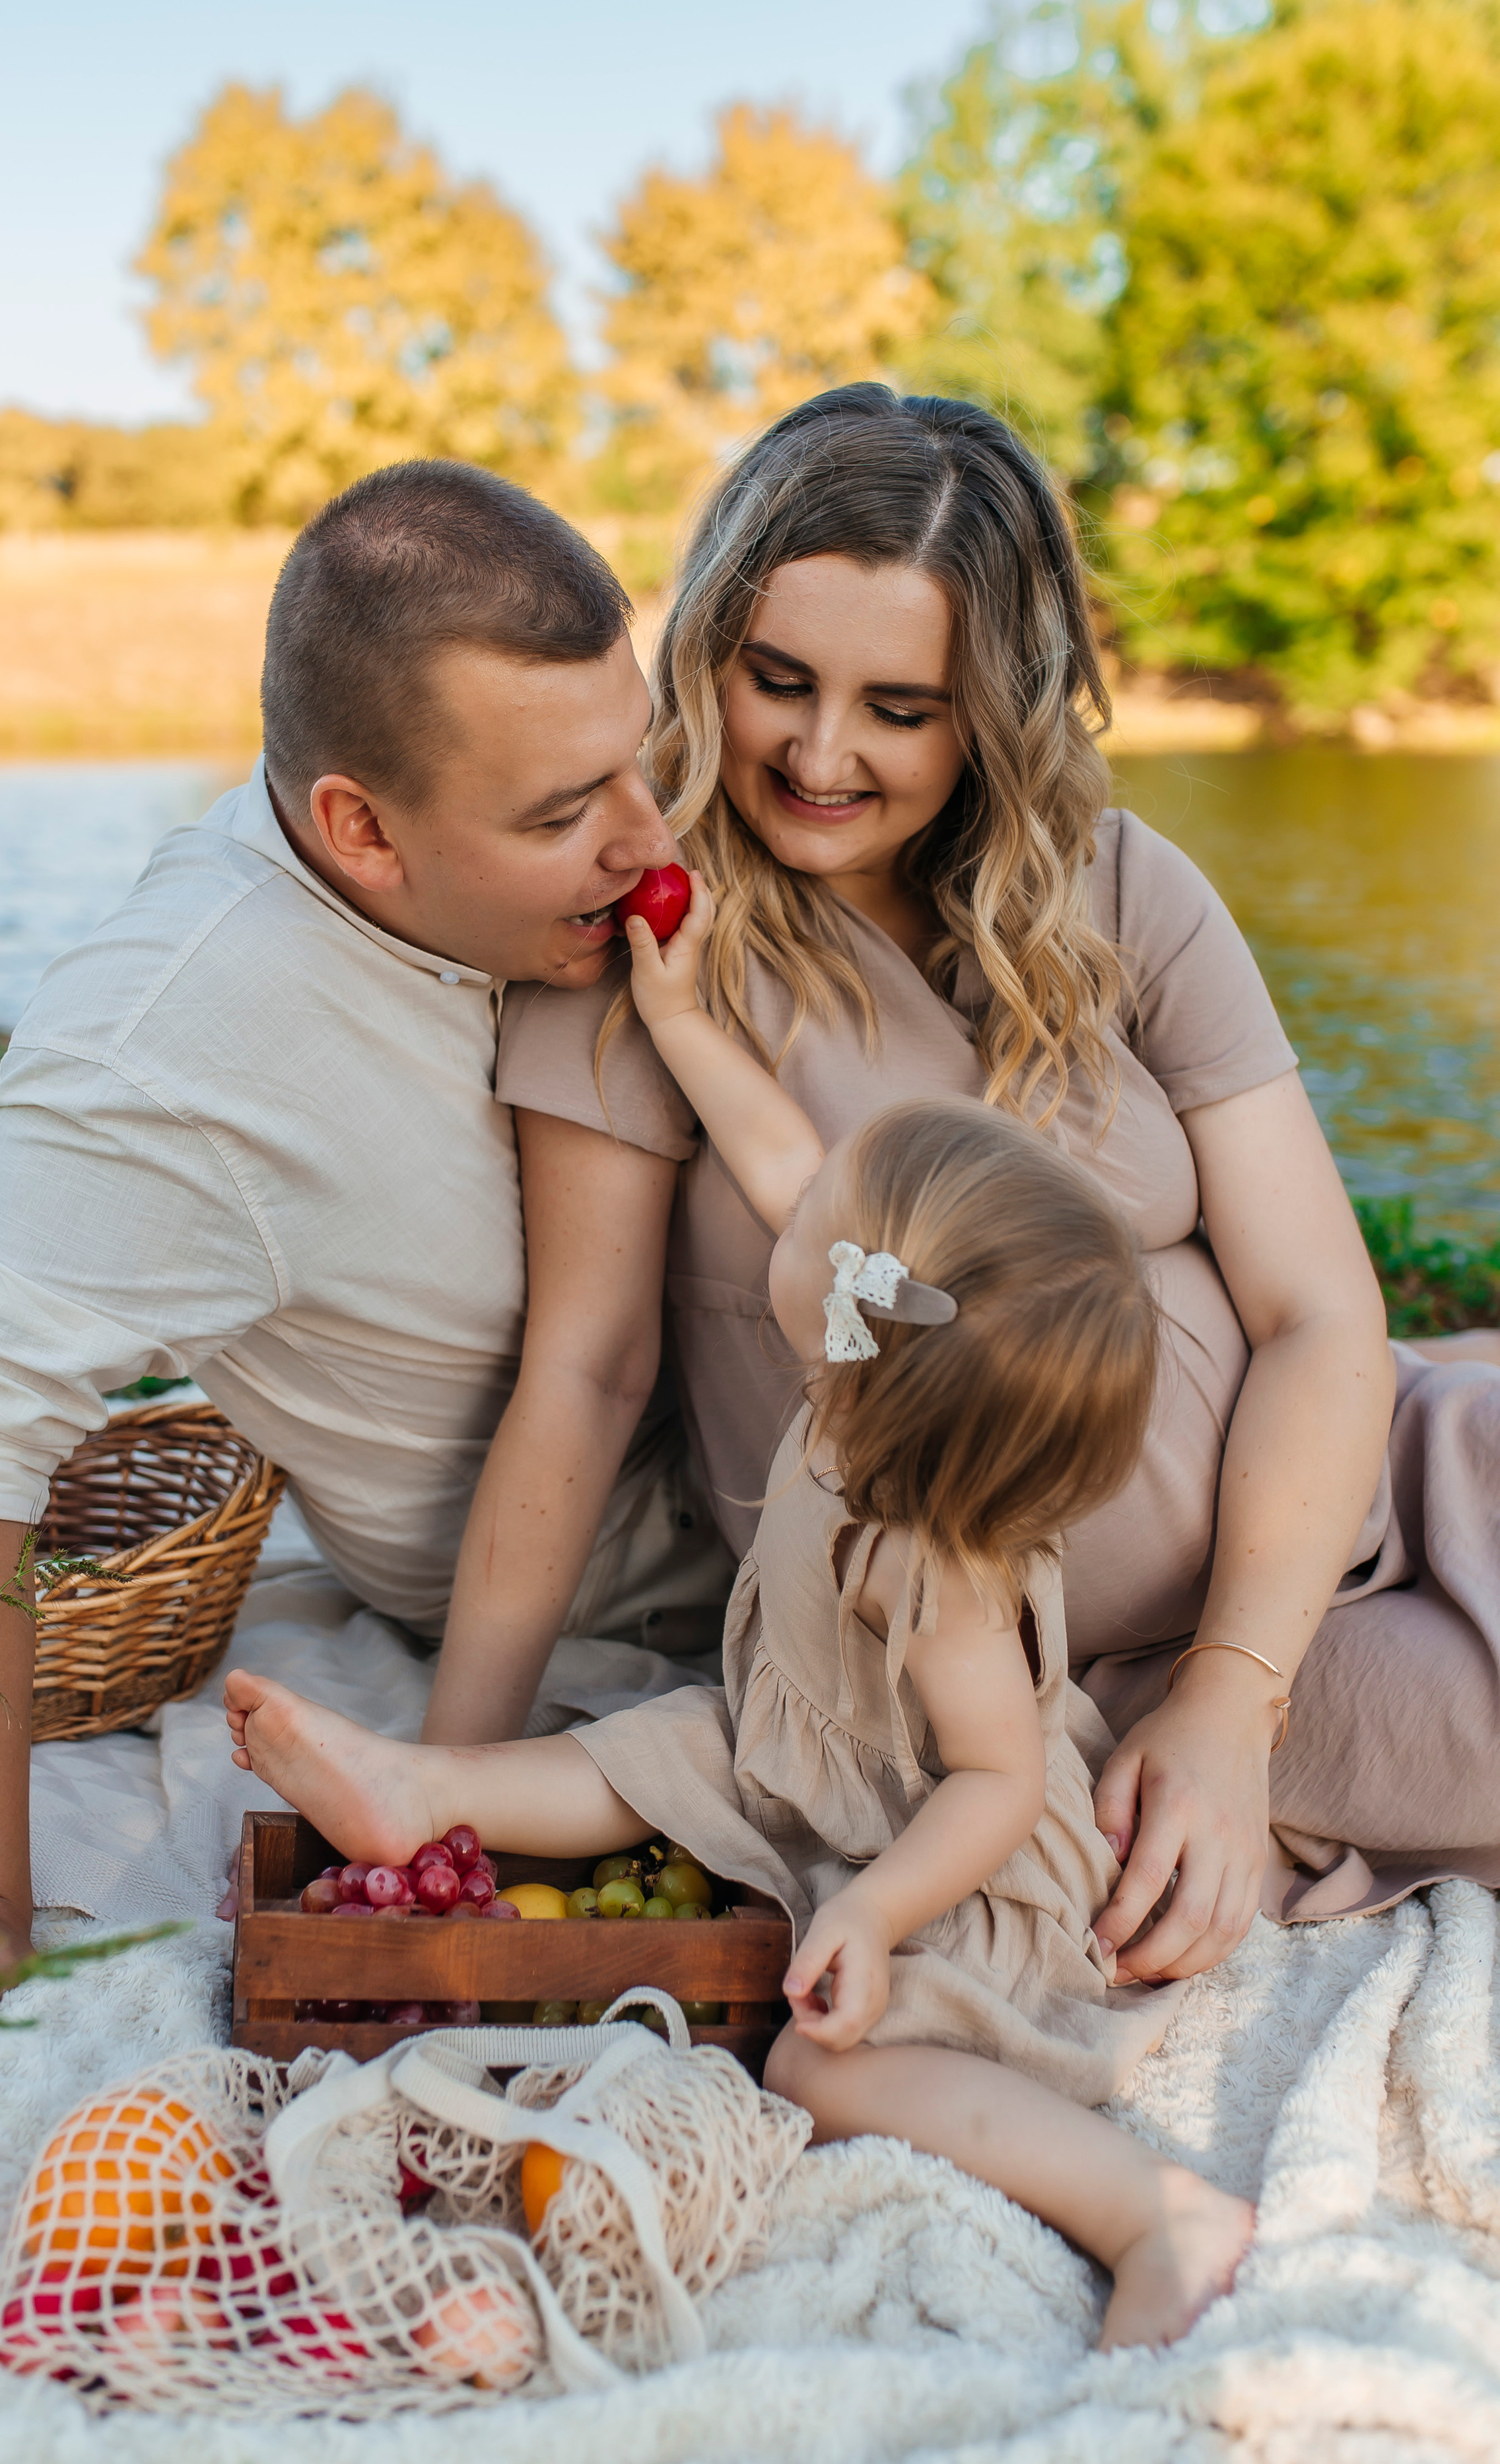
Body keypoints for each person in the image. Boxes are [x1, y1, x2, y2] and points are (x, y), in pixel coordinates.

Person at [434, 381, 1500, 1985]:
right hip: (1032, 1685)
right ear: (706, 645)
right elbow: (586, 1376)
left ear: (991, 708)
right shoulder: (645, 960)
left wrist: (1232, 1690)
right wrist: (452, 1779)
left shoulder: (1122, 892)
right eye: (773, 679)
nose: (817, 750)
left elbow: (1315, 1313)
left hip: (1340, 1527)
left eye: (898, 709)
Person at [224, 884, 1256, 2350]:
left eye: (820, 1220)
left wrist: (876, 1905)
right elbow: (783, 1155)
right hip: (808, 1763)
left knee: (822, 2074)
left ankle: (1154, 2212)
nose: (788, 1200)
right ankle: (420, 1788)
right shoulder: (871, 1335)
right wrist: (680, 1019)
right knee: (649, 1750)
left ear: (851, 1315)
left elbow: (998, 1779)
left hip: (939, 1856)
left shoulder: (933, 1572)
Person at [0, 460, 732, 2061]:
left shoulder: (546, 892)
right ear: (358, 830)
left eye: (633, 767)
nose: (644, 842)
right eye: (558, 814)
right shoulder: (171, 1050)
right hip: (644, 1620)